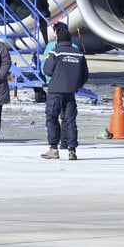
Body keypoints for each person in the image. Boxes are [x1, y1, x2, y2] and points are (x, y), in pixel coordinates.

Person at [41, 29, 89, 160]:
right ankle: (72, 150)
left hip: (55, 91)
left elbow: (47, 70)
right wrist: (76, 85)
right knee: (70, 121)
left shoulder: (56, 52)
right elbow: (85, 75)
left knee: (52, 119)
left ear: (59, 39)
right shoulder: (79, 53)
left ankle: (53, 149)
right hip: (70, 92)